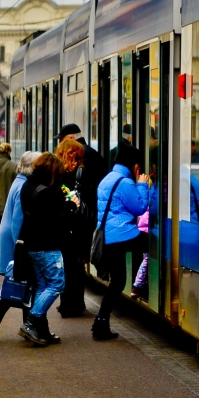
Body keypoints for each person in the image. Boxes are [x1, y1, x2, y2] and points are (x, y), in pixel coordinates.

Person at [0, 151, 38, 342]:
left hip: (11, 238)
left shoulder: (19, 181)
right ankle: (27, 325)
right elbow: (18, 221)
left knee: (18, 285)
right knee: (22, 284)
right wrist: (21, 246)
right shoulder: (23, 186)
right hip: (15, 240)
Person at [92, 144, 149, 341]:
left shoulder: (107, 179)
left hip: (109, 236)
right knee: (152, 244)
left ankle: (100, 322)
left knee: (117, 281)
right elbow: (140, 207)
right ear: (134, 166)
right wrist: (142, 184)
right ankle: (144, 283)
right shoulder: (125, 182)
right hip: (122, 235)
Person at [17, 153, 73, 346]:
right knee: (57, 284)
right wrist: (68, 205)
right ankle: (32, 322)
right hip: (47, 245)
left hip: (31, 244)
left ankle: (42, 331)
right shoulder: (47, 193)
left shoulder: (28, 185)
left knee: (42, 286)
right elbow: (55, 220)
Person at [54, 138, 88, 316]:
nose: (77, 163)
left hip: (74, 228)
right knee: (70, 267)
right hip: (67, 228)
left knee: (74, 267)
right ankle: (69, 304)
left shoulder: (69, 175)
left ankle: (74, 302)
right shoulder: (60, 177)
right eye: (74, 159)